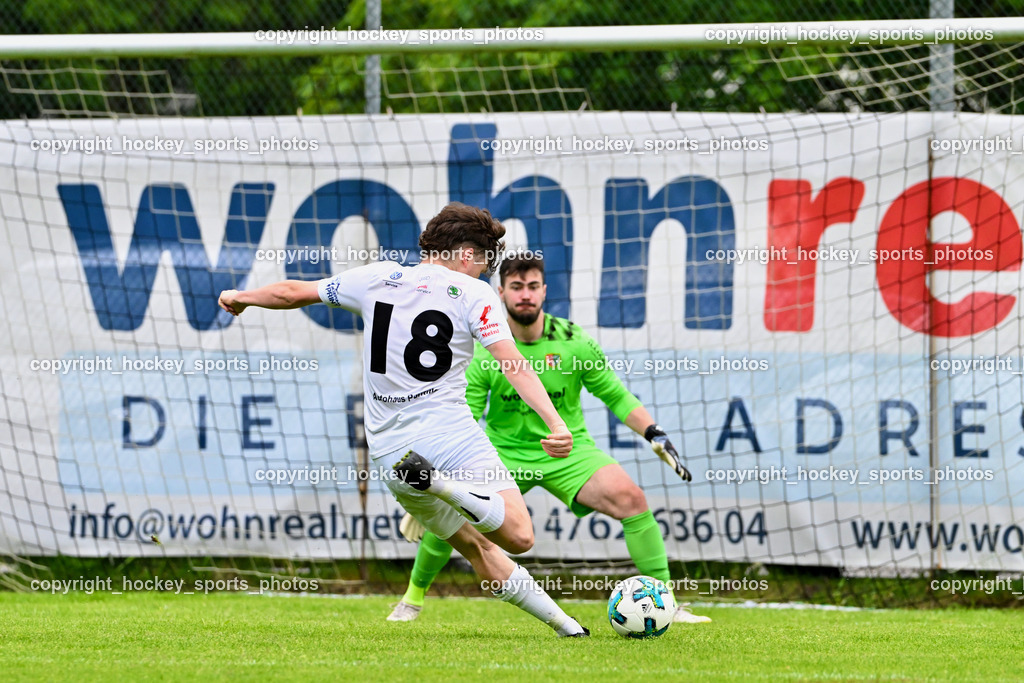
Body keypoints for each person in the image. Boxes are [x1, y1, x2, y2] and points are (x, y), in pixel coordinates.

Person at [218, 203, 589, 637]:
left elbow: (290, 293)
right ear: (467, 255)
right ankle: (445, 486)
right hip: (449, 434)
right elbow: (514, 365)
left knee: (478, 548)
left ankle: (569, 629)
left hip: (394, 456)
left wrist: (241, 297)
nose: (485, 275)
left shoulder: (374, 277)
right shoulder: (474, 294)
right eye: (486, 265)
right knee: (518, 536)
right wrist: (555, 424)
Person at [388, 252, 710, 624]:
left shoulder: (574, 342)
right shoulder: (484, 349)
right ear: (500, 292)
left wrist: (653, 432)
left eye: (533, 287)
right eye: (516, 287)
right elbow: (464, 416)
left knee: (631, 499)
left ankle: (667, 603)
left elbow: (616, 396)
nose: (525, 295)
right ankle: (411, 600)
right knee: (452, 517)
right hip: (502, 453)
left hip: (569, 452)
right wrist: (432, 495)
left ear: (544, 291)